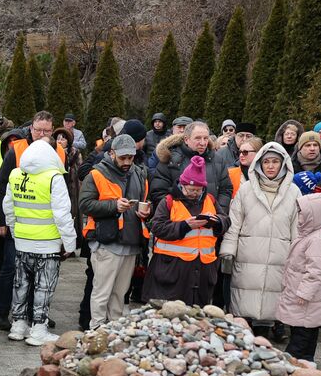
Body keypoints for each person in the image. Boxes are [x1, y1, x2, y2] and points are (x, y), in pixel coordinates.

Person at [2, 136, 76, 345]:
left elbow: (8, 207)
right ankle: (38, 329)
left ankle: (18, 325)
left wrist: (16, 231)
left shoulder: (15, 174)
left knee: (21, 285)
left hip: (22, 241)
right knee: (44, 287)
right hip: (48, 244)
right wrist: (70, 244)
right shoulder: (54, 178)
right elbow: (62, 215)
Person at [220, 143, 297, 331]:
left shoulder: (293, 192)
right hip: (249, 253)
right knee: (244, 298)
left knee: (273, 296)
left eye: (275, 162)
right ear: (259, 164)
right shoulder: (246, 190)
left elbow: (297, 226)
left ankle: (267, 332)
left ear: (283, 164)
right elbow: (234, 222)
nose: (271, 166)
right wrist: (228, 249)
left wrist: (297, 254)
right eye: (266, 162)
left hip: (279, 254)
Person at [78, 134, 147, 327]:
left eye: (130, 157)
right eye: (122, 157)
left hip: (131, 242)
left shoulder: (140, 173)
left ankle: (114, 330)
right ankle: (97, 328)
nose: (127, 161)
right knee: (102, 292)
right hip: (106, 242)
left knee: (120, 294)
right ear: (111, 153)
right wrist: (113, 206)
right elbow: (84, 204)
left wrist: (145, 211)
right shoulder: (96, 174)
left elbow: (144, 199)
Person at [145, 156, 228, 306]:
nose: (195, 193)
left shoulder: (210, 199)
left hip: (203, 271)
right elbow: (157, 227)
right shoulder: (169, 201)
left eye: (199, 190)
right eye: (191, 190)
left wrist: (217, 222)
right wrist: (185, 226)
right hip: (172, 270)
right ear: (182, 185)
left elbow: (226, 220)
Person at [276, 192, 321, 363]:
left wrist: (304, 293)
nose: (300, 216)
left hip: (306, 297)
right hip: (307, 295)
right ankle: (307, 360)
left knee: (301, 332)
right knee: (309, 329)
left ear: (315, 214)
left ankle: (292, 362)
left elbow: (315, 270)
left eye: (303, 212)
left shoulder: (317, 239)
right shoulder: (313, 234)